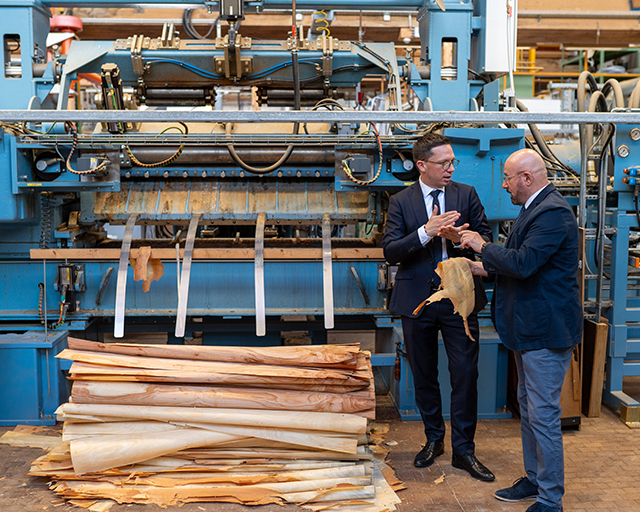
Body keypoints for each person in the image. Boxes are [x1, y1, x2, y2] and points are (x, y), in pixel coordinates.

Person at [460, 148, 582, 512]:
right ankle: (535, 478)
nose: (504, 185)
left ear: (526, 178)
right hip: (527, 331)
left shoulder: (553, 213)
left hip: (545, 334)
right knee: (530, 410)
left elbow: (525, 263)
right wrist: (481, 268)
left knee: (542, 414)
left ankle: (550, 499)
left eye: (508, 178)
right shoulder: (532, 209)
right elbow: (520, 263)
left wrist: (482, 245)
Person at [381, 132, 494, 482]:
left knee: (465, 375)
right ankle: (434, 440)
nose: (450, 168)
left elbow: (485, 238)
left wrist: (460, 237)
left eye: (452, 162)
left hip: (460, 298)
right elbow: (391, 251)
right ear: (422, 165)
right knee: (424, 374)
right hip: (417, 301)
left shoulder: (466, 194)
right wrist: (426, 232)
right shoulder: (401, 201)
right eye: (443, 163)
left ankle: (464, 451)